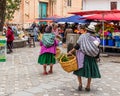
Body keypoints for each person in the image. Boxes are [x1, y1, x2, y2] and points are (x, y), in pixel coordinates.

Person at [68, 24, 101, 91]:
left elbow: (77, 46)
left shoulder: (82, 36)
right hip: (91, 57)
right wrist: (97, 57)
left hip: (82, 56)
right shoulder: (96, 39)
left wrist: (70, 52)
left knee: (79, 70)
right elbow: (97, 49)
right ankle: (88, 86)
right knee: (90, 71)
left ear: (87, 30)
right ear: (93, 32)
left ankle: (80, 84)